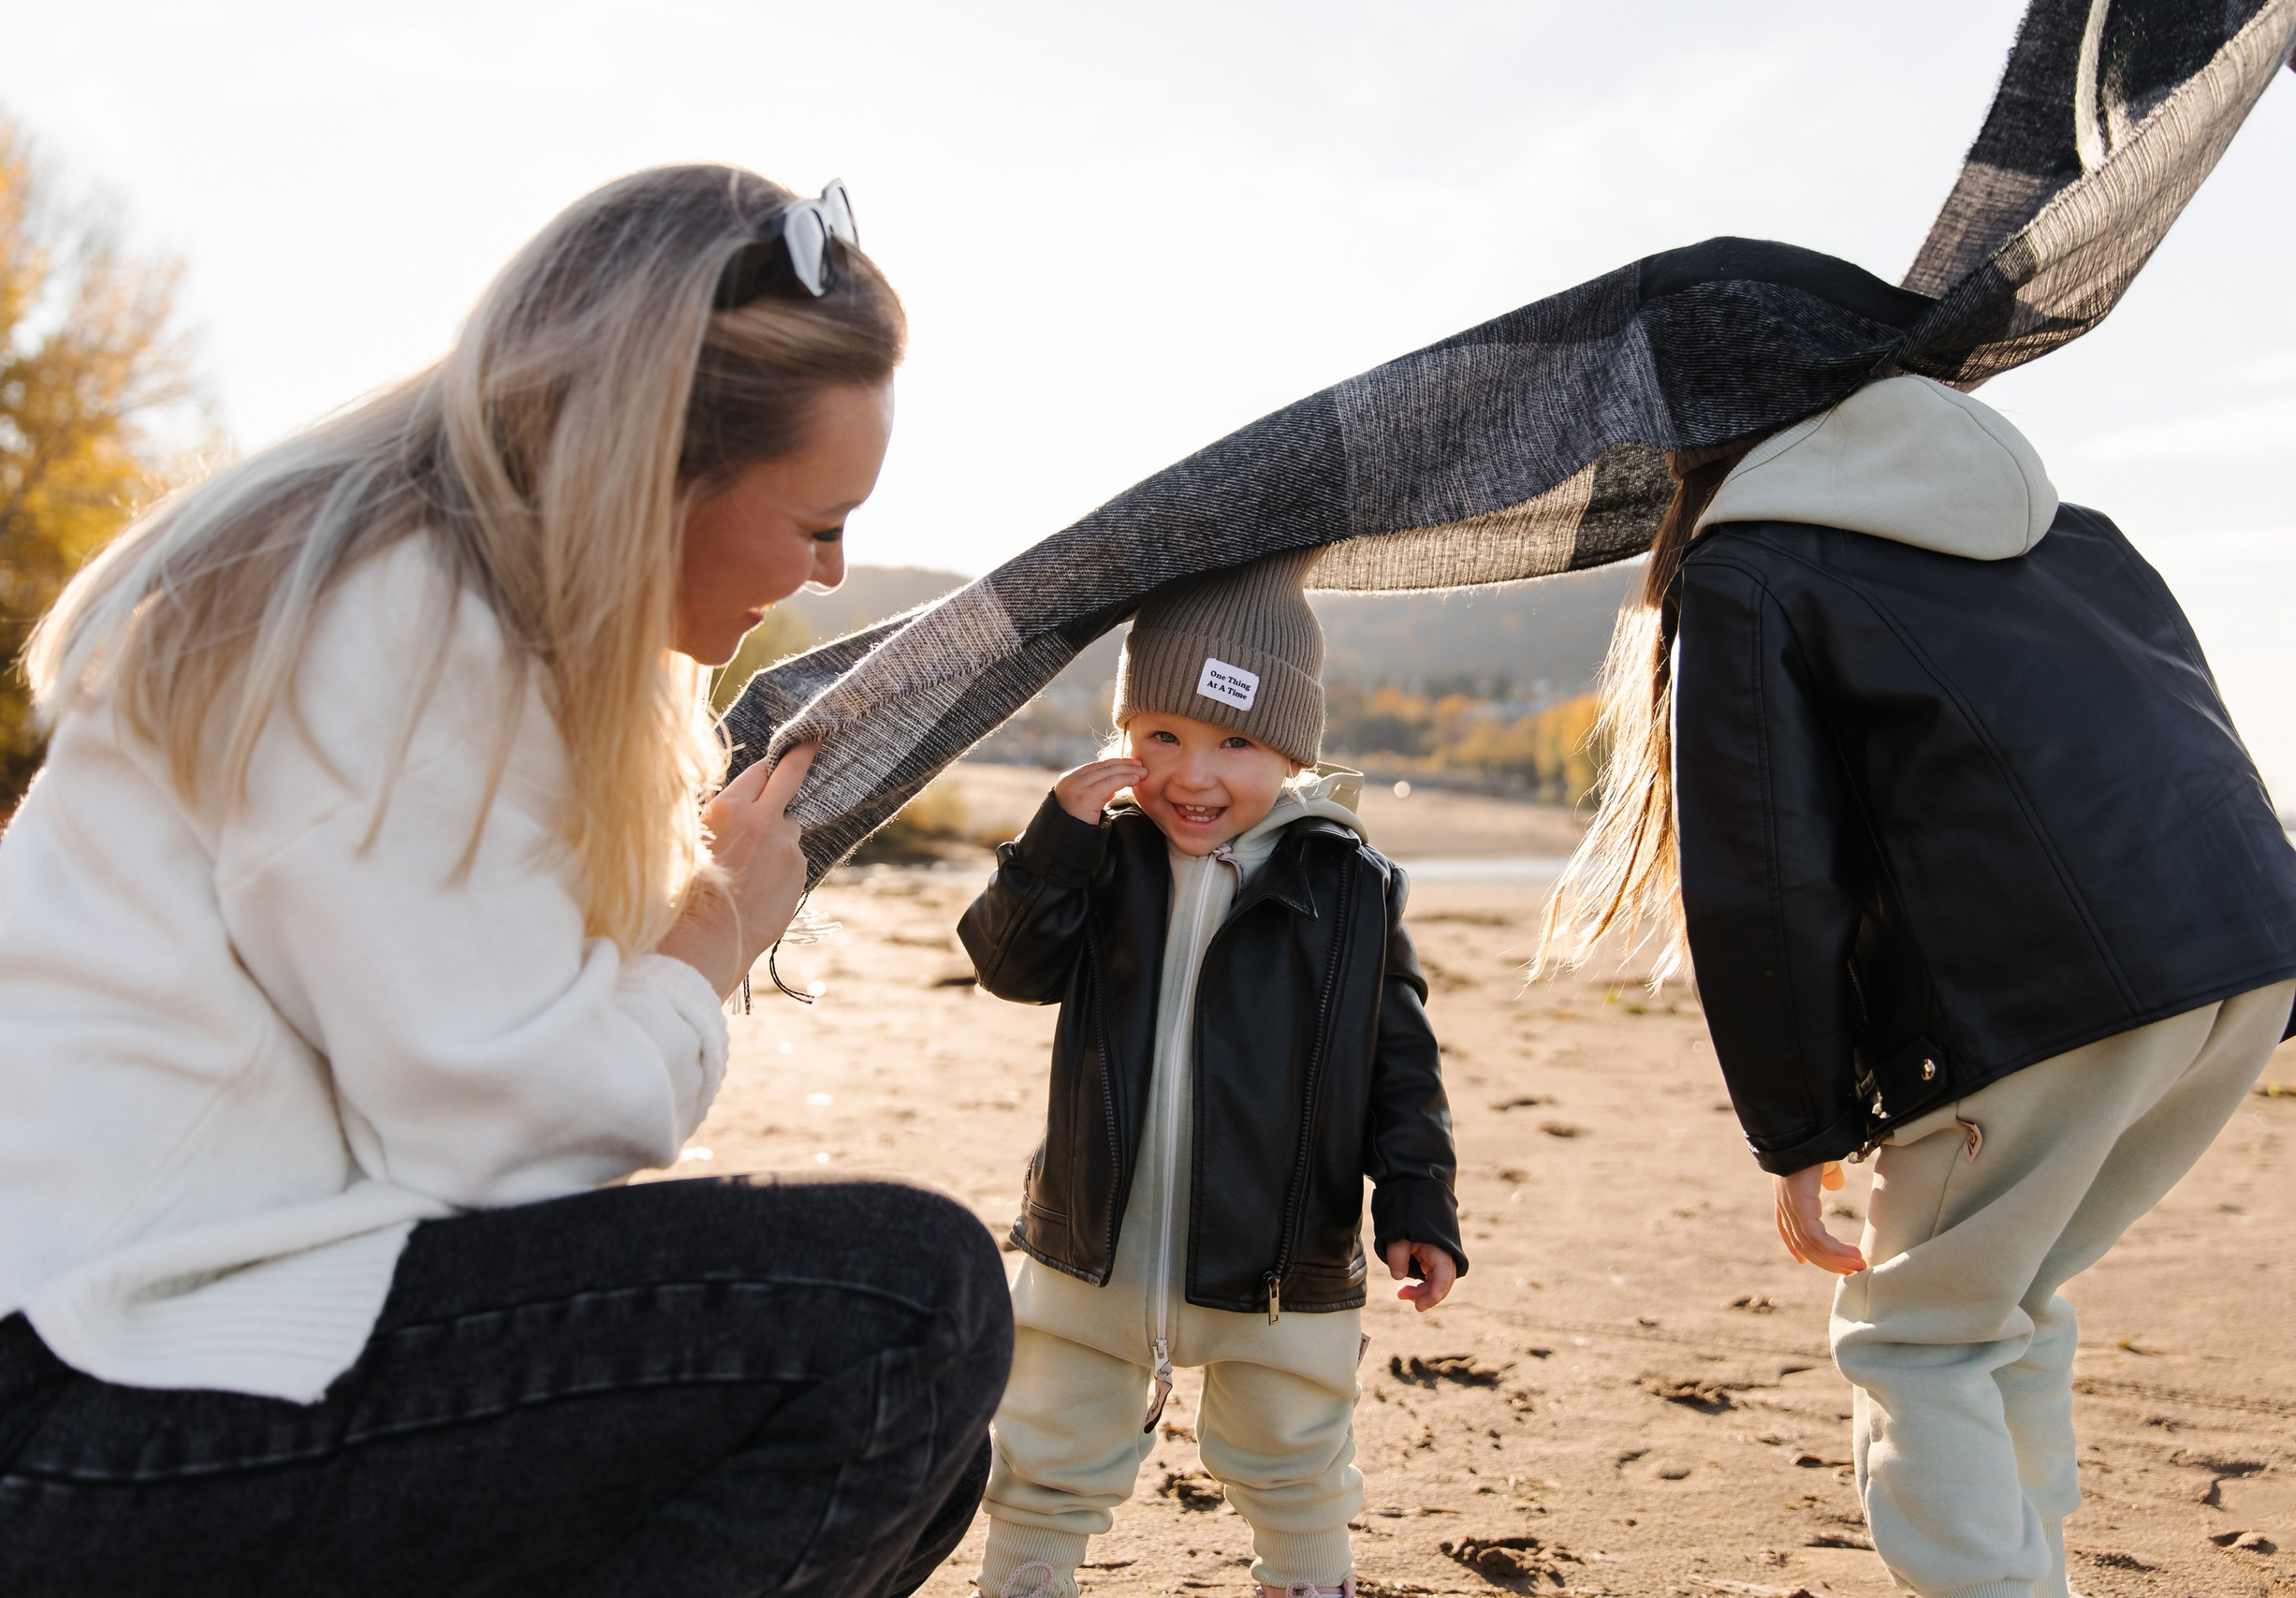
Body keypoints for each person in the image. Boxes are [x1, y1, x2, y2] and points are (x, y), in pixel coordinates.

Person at [0, 166, 1010, 1596]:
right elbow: (504, 1142)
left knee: (918, 1441)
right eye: (817, 520)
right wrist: (712, 938)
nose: (828, 569)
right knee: (904, 1313)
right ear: (654, 464)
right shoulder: (392, 621)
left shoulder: (436, 615)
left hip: (122, 1348)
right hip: (19, 1404)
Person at [1541, 369, 2296, 1598]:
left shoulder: (1749, 561)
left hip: (2040, 990)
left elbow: (1771, 875)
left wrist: (1799, 1131)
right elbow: (2189, 716)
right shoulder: (2072, 527)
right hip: (2243, 948)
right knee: (2009, 1291)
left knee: (1922, 1334)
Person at [957, 554, 1467, 1598]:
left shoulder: (1351, 883)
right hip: (1094, 1241)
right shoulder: (1103, 855)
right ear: (1125, 736)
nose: (1194, 775)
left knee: (1297, 1452)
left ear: (1290, 749)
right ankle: (1024, 1581)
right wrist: (1051, 848)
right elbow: (1009, 968)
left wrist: (1417, 1195)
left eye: (1235, 742)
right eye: (1162, 738)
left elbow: (1398, 1057)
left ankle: (1307, 1579)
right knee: (1045, 1443)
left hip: (1280, 1256)